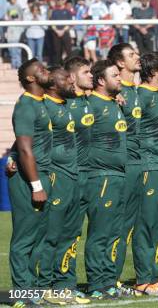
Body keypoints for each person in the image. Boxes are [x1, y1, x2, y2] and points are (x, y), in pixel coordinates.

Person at [37, 66, 89, 304]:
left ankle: (64, 285)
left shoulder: (69, 105)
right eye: (66, 78)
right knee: (52, 234)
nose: (71, 81)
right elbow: (28, 137)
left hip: (74, 176)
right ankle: (43, 286)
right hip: (56, 176)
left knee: (70, 234)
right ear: (51, 83)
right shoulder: (42, 106)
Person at [8, 59, 53, 306]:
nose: (47, 72)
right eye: (42, 71)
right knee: (24, 238)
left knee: (39, 238)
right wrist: (36, 186)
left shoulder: (42, 102)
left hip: (43, 174)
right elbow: (25, 149)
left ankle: (32, 289)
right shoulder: (26, 105)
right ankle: (21, 294)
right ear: (31, 79)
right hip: (30, 180)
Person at [83, 60, 129, 297]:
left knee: (114, 234)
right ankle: (96, 284)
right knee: (100, 233)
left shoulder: (116, 104)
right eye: (115, 75)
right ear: (101, 80)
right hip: (101, 176)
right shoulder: (90, 105)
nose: (120, 79)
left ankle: (109, 281)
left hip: (120, 175)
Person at [133, 52, 158, 295]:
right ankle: (143, 281)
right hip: (148, 166)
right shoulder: (142, 95)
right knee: (146, 225)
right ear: (152, 71)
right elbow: (134, 132)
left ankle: (154, 278)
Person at [107, 43, 142, 296]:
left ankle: (118, 279)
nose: (137, 57)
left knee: (133, 227)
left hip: (142, 165)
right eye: (131, 55)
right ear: (119, 63)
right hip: (122, 166)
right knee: (117, 227)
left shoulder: (137, 91)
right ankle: (107, 281)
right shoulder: (115, 93)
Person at [62, 57, 94, 295]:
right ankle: (62, 286)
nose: (91, 75)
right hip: (70, 176)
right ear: (72, 78)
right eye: (86, 72)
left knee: (83, 233)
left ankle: (84, 284)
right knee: (65, 233)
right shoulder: (65, 105)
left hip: (91, 177)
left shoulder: (89, 102)